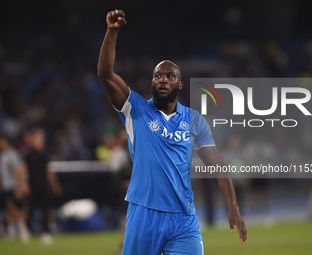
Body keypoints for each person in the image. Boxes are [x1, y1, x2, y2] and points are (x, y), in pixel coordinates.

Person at [97, 10, 247, 254]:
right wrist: (112, 32)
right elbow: (105, 74)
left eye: (169, 76)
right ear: (152, 82)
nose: (163, 79)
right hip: (144, 213)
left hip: (183, 218)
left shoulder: (194, 120)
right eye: (158, 76)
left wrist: (233, 206)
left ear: (179, 84)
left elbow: (217, 165)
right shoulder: (135, 109)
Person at [22, 128, 62, 245]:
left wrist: (54, 184)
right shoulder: (29, 154)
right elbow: (22, 170)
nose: (41, 141)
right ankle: (26, 230)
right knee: (31, 208)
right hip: (32, 185)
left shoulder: (45, 154)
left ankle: (45, 232)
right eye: (39, 138)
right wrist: (24, 184)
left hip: (43, 185)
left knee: (45, 209)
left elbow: (48, 170)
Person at [0, 135, 30, 242]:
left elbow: (18, 170)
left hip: (13, 185)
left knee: (12, 206)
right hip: (6, 186)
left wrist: (20, 186)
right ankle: (11, 232)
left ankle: (22, 228)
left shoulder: (13, 154)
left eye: (2, 142)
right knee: (9, 209)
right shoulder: (3, 155)